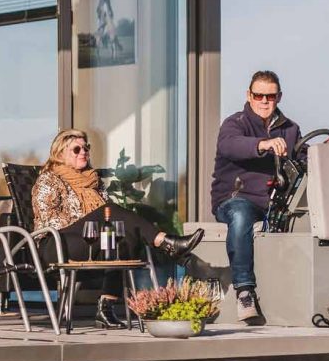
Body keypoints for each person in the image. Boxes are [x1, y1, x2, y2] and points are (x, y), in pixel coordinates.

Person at [33, 128, 203, 327]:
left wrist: (96, 223)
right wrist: (89, 221)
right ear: (60, 154)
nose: (84, 152)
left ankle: (105, 308)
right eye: (76, 149)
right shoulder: (49, 179)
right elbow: (47, 219)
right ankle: (166, 243)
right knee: (109, 212)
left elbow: (107, 218)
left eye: (86, 148)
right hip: (56, 244)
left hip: (89, 242)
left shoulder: (94, 181)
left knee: (123, 237)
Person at [210, 69, 303, 325]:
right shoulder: (235, 123)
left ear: (279, 97)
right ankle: (244, 291)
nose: (264, 101)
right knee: (241, 216)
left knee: (306, 219)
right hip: (235, 200)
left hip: (275, 203)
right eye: (258, 95)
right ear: (248, 95)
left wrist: (325, 151)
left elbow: (303, 156)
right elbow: (229, 145)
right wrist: (263, 144)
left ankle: (295, 296)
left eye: (270, 96)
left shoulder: (291, 129)